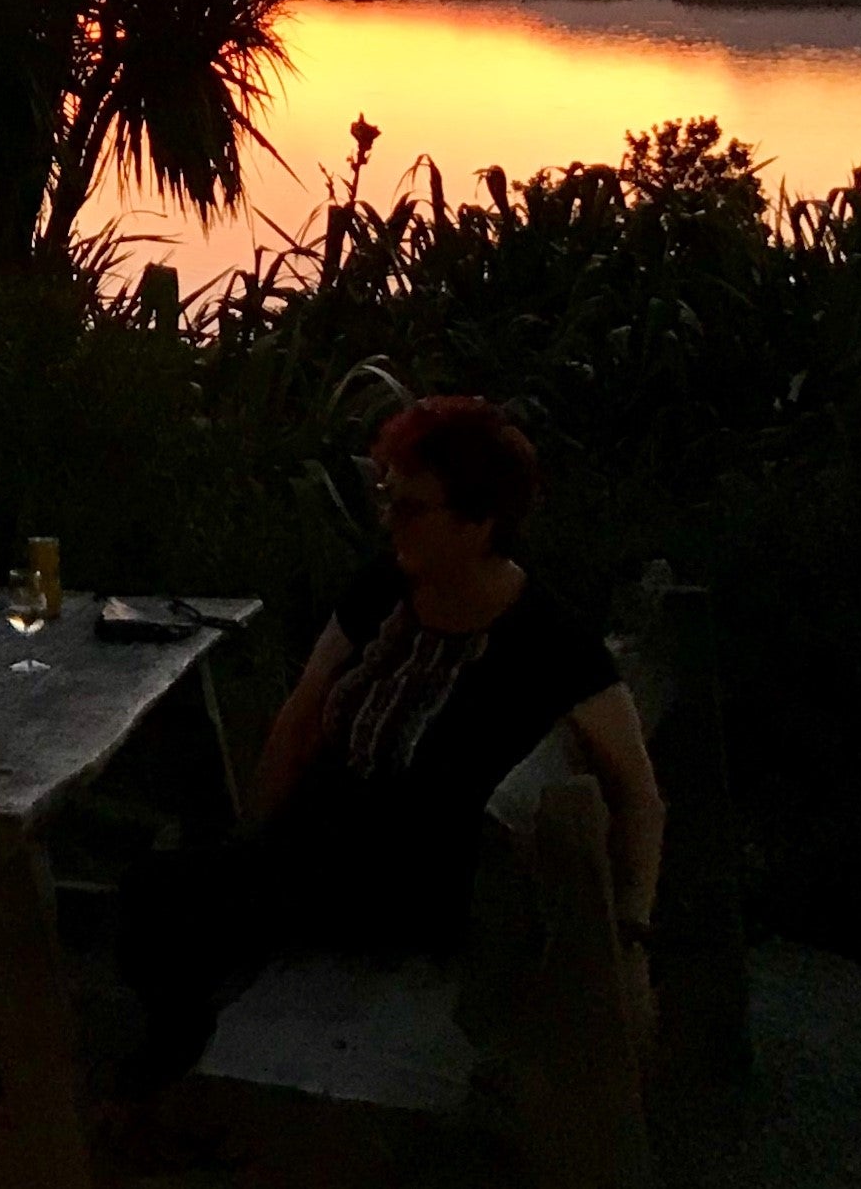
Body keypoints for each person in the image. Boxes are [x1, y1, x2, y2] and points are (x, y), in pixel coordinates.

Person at [117, 393, 666, 1110]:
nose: (389, 521)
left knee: (159, 899)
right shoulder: (384, 589)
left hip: (405, 887)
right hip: (315, 851)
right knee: (174, 883)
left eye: (411, 508)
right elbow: (303, 713)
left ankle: (171, 1086)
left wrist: (629, 938)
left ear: (479, 522)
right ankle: (181, 1070)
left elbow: (640, 796)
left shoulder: (547, 640)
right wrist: (255, 836)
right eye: (388, 500)